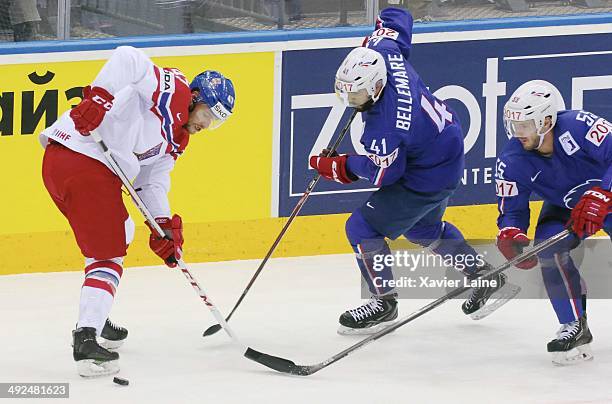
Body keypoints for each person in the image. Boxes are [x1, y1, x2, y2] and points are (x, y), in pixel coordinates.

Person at [309, 7, 515, 335]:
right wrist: (375, 36)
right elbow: (398, 19)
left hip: (426, 170)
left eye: (358, 93)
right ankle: (485, 276)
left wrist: (339, 165)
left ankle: (383, 302)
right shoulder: (383, 52)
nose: (351, 99)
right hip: (446, 149)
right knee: (423, 231)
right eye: (346, 90)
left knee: (361, 228)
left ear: (376, 87)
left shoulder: (385, 127)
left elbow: (385, 175)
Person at [39, 46, 236, 376]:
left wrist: (162, 225)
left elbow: (150, 183)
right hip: (85, 161)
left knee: (120, 233)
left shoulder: (176, 140)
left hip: (64, 167)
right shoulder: (173, 90)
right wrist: (98, 98)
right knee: (108, 255)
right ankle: (86, 342)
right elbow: (128, 57)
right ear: (195, 97)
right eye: (205, 115)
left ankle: (96, 315)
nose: (205, 125)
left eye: (214, 123)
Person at [495, 82, 611, 365]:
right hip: (567, 208)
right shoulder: (511, 161)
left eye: (524, 125)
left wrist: (604, 192)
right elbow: (511, 210)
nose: (516, 133)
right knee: (549, 249)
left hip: (608, 196)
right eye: (513, 124)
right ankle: (573, 325)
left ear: (547, 120)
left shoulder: (579, 125)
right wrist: (511, 233)